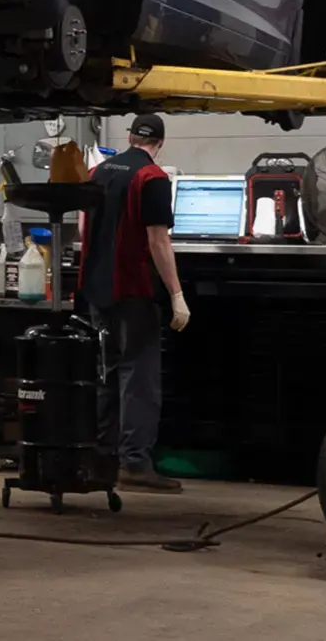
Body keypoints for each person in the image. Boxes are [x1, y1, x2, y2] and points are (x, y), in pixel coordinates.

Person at [77, 113, 190, 493]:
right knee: (137, 377)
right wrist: (177, 294)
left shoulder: (99, 171)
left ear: (129, 137)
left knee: (106, 373)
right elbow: (158, 241)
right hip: (133, 288)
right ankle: (136, 463)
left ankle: (103, 460)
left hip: (96, 288)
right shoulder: (152, 178)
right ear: (160, 142)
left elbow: (82, 227)